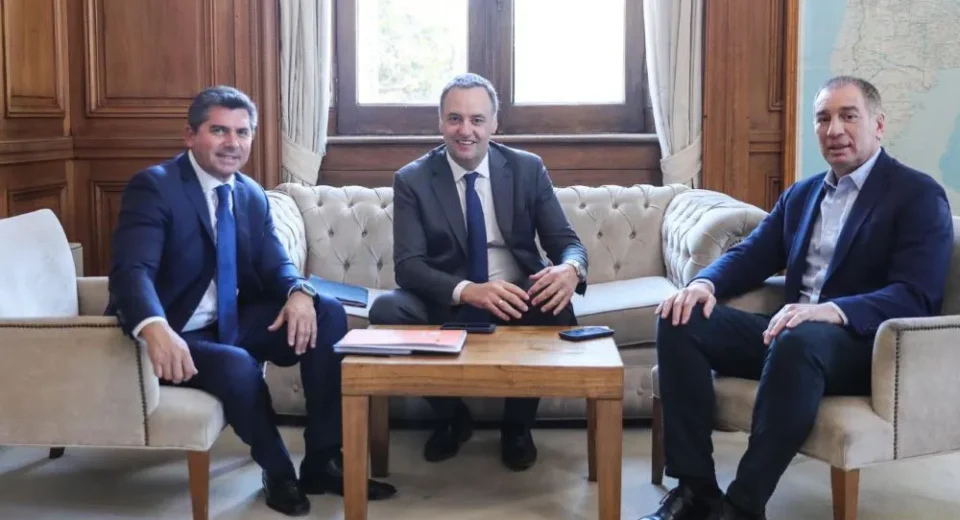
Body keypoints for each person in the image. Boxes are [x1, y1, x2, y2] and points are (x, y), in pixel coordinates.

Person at [640, 75, 954, 520]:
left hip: (865, 346)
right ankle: (696, 493)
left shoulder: (916, 195)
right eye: (823, 118)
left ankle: (743, 506)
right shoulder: (803, 195)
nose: (834, 130)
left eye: (849, 116)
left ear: (878, 125)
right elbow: (751, 255)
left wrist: (831, 311)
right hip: (790, 337)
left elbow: (915, 295)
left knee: (799, 337)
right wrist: (702, 285)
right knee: (680, 317)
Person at [107, 86, 396, 517]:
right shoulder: (155, 187)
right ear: (190, 135)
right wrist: (154, 327)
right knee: (238, 364)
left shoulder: (249, 194)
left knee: (328, 312)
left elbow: (276, 263)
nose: (232, 143)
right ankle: (278, 472)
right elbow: (132, 271)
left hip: (227, 323)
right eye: (218, 130)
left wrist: (298, 292)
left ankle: (322, 461)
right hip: (174, 333)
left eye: (242, 132)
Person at [368, 73, 589, 471]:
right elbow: (409, 267)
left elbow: (566, 242)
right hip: (448, 296)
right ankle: (452, 417)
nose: (465, 130)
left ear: (494, 124)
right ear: (440, 123)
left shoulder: (526, 168)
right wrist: (469, 290)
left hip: (515, 295)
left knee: (556, 305)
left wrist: (571, 268)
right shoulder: (412, 179)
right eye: (455, 119)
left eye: (476, 119)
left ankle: (517, 428)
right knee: (386, 310)